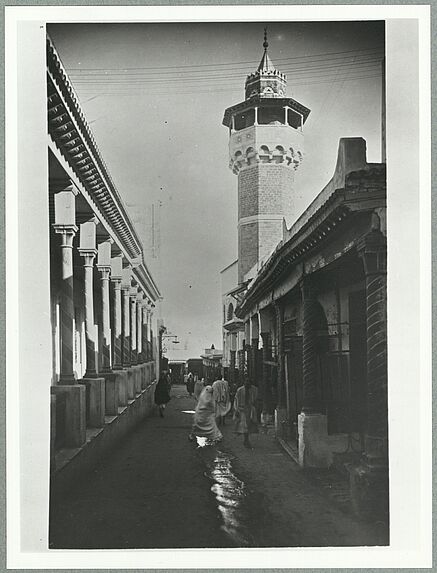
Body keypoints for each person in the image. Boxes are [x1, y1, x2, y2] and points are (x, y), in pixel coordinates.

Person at [233, 378, 258, 448]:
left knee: (249, 425)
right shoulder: (240, 390)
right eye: (246, 382)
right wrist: (236, 410)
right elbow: (236, 400)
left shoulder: (254, 390)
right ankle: (246, 440)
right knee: (244, 426)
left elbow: (255, 399)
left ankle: (246, 440)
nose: (247, 384)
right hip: (242, 409)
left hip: (250, 409)